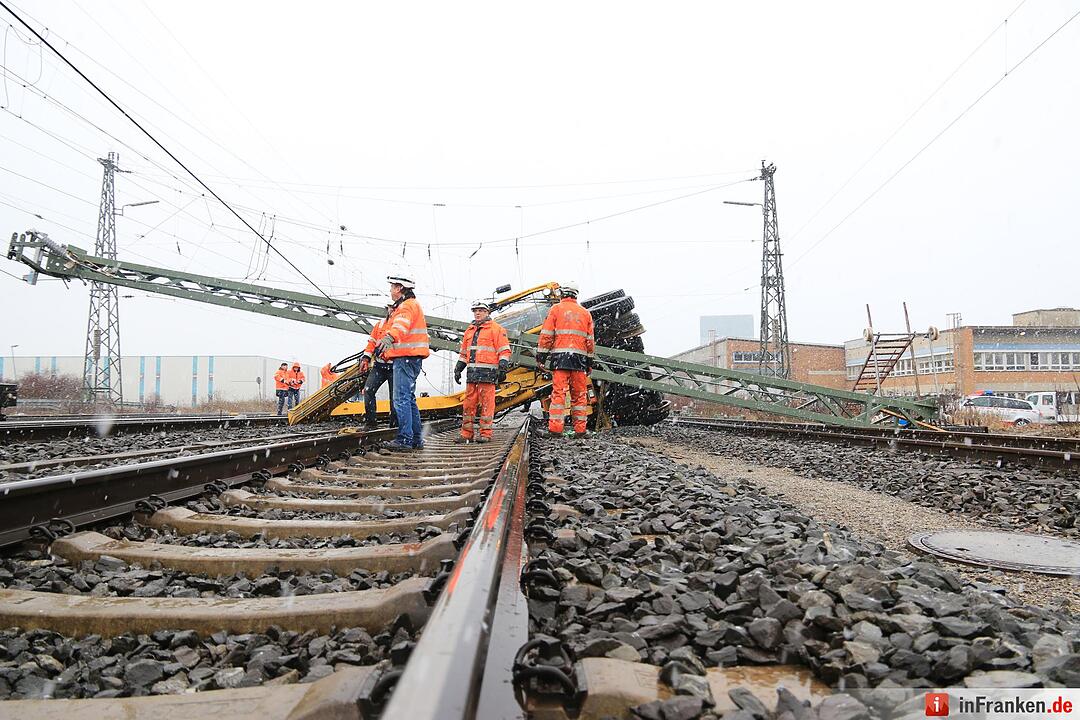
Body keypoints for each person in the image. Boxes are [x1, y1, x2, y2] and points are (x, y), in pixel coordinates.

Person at [375, 275, 429, 450]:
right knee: (409, 398)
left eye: (392, 287)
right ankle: (416, 439)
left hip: (405, 358)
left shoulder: (406, 306)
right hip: (412, 358)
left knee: (401, 398)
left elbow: (400, 325)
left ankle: (405, 439)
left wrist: (388, 338)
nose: (390, 291)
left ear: (399, 288)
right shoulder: (413, 304)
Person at [536, 281, 595, 438]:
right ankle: (580, 430)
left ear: (562, 293)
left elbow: (547, 335)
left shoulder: (556, 310)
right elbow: (590, 341)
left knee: (559, 394)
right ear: (576, 295)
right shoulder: (585, 313)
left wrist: (541, 356)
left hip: (560, 360)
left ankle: (555, 429)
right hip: (579, 361)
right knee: (579, 396)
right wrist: (589, 362)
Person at [454, 300, 511, 444]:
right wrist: (458, 368)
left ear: (487, 312)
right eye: (475, 311)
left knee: (487, 405)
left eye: (480, 310)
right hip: (472, 374)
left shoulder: (496, 329)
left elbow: (504, 350)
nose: (477, 313)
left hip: (488, 375)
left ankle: (485, 434)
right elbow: (464, 353)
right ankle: (466, 434)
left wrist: (502, 368)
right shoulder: (469, 331)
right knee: (468, 405)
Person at [359, 304, 397, 430]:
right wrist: (366, 358)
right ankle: (371, 423)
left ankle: (394, 426)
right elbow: (372, 343)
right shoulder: (380, 325)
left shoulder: (399, 326)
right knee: (368, 390)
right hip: (379, 366)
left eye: (394, 308)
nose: (391, 310)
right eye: (390, 307)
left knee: (394, 397)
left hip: (395, 366)